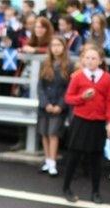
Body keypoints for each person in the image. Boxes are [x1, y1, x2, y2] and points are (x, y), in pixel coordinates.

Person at [62, 44, 110, 203]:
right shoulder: (78, 76)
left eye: (94, 58)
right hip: (80, 121)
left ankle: (96, 191)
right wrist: (82, 98)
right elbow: (69, 98)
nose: (90, 61)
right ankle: (66, 187)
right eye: (87, 58)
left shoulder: (106, 78)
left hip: (98, 122)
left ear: (100, 61)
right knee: (74, 155)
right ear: (83, 60)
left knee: (96, 158)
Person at [38, 36, 74, 177]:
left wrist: (60, 105)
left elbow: (68, 88)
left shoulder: (69, 65)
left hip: (59, 105)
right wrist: (45, 103)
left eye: (59, 45)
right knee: (44, 132)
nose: (56, 48)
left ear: (64, 47)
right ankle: (47, 160)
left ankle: (53, 162)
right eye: (53, 45)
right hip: (45, 104)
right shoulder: (45, 63)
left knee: (53, 133)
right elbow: (40, 86)